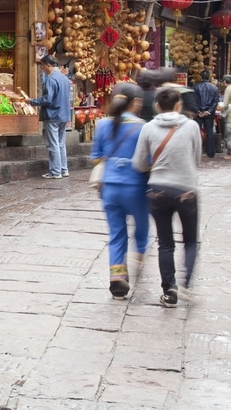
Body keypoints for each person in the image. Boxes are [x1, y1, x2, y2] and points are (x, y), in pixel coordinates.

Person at [132, 88, 202, 308]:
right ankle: (186, 284)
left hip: (158, 190)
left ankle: (169, 291)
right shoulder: (192, 126)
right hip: (186, 189)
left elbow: (138, 163)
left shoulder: (148, 128)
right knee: (190, 241)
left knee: (165, 243)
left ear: (157, 106)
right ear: (178, 105)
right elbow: (196, 158)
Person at [90, 82, 148, 299]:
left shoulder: (102, 124)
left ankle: (117, 278)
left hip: (110, 187)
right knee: (142, 229)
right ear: (136, 103)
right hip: (136, 186)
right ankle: (137, 258)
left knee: (116, 234)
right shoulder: (143, 127)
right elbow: (149, 160)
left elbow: (96, 158)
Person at [30, 55, 72, 179]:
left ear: (48, 65)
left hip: (53, 114)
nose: (42, 69)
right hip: (63, 114)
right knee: (61, 143)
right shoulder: (64, 78)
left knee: (53, 144)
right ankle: (64, 169)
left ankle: (55, 171)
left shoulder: (51, 79)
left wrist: (32, 101)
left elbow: (47, 99)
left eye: (43, 66)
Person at [193, 70, 220, 158]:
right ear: (209, 77)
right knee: (210, 132)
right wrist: (209, 111)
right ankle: (210, 152)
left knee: (196, 132)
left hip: (198, 113)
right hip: (209, 113)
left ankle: (196, 152)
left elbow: (194, 101)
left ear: (200, 77)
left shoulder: (195, 87)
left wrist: (198, 111)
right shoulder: (214, 88)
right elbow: (215, 101)